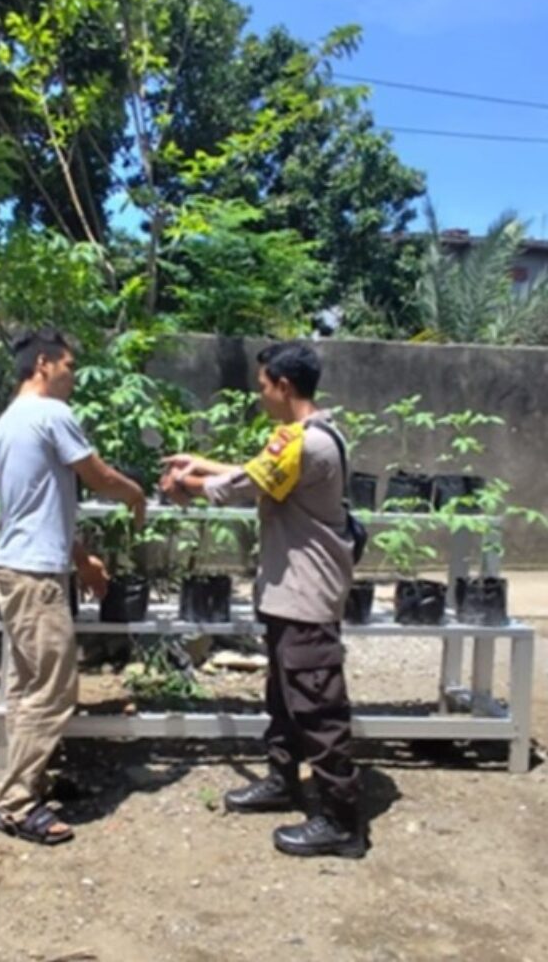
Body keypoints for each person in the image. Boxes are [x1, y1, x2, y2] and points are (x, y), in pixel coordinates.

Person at [159, 341, 365, 859]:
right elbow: (259, 473)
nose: (260, 395)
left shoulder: (306, 442)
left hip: (306, 595)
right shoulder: (312, 436)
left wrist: (185, 482)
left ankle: (342, 822)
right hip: (287, 592)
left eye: (262, 386)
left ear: (284, 385)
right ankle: (282, 781)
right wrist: (201, 463)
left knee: (317, 706)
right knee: (284, 698)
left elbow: (242, 486)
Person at [0, 327, 147, 846]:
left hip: (17, 568)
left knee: (28, 687)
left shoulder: (8, 424)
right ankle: (16, 805)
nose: (73, 377)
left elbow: (39, 508)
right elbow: (98, 477)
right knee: (54, 690)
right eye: (70, 367)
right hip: (34, 576)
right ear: (43, 363)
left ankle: (27, 782)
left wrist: (81, 560)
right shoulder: (51, 415)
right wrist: (136, 494)